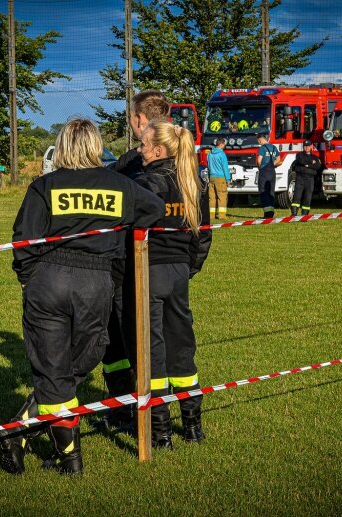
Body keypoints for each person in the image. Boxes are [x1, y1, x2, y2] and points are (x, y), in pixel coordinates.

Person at [0, 118, 164, 475]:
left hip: (48, 279)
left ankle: (22, 434)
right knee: (79, 362)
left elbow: (23, 239)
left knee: (55, 369)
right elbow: (155, 209)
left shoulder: (44, 186)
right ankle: (65, 458)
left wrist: (29, 280)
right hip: (96, 281)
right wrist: (120, 238)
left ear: (61, 147)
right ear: (95, 146)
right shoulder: (120, 185)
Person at [94, 89, 172, 434]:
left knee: (133, 342)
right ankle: (133, 412)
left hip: (130, 266)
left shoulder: (140, 164)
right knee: (158, 344)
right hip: (169, 269)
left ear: (139, 120)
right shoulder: (183, 158)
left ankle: (145, 420)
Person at [135, 119, 211, 448]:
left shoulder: (147, 182)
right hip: (180, 273)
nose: (139, 151)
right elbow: (203, 238)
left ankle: (161, 433)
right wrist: (188, 269)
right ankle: (193, 426)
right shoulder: (195, 183)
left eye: (143, 145)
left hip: (149, 272)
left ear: (158, 150)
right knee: (182, 345)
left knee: (152, 351)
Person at [289, 140, 323, 216]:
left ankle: (304, 215)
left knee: (308, 197)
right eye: (305, 146)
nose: (307, 147)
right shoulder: (299, 155)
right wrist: (311, 162)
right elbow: (301, 161)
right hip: (300, 178)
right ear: (303, 147)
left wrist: (308, 165)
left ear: (311, 146)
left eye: (308, 146)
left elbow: (318, 166)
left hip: (310, 179)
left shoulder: (315, 157)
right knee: (297, 196)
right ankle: (294, 213)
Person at [256, 134, 279, 218]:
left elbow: (259, 161)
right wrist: (273, 165)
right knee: (271, 192)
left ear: (260, 140)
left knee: (263, 192)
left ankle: (267, 214)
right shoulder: (274, 147)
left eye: (258, 142)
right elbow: (278, 159)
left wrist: (260, 167)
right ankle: (271, 213)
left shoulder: (262, 148)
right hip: (272, 172)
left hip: (264, 172)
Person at [207, 138, 231, 219]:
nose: (224, 146)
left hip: (212, 177)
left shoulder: (209, 154)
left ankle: (211, 216)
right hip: (220, 178)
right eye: (224, 145)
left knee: (212, 198)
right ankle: (222, 216)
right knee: (222, 196)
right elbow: (225, 168)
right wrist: (228, 179)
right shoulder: (222, 154)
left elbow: (208, 167)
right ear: (221, 144)